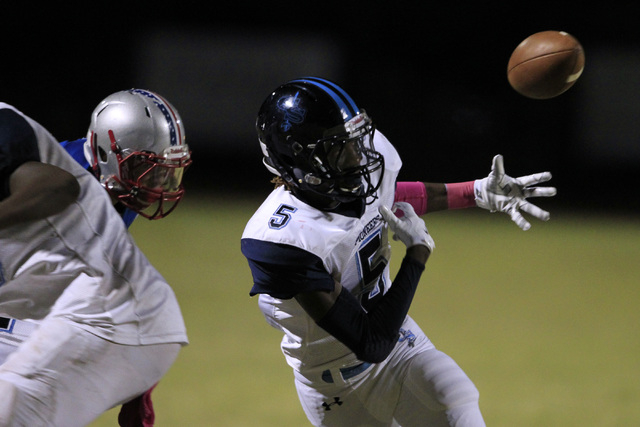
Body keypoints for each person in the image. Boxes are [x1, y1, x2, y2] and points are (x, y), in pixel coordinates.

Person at [241, 77, 556, 426]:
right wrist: (417, 254)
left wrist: (476, 192)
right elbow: (370, 341)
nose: (357, 155)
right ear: (296, 160)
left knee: (455, 396)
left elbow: (385, 200)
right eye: (337, 148)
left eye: (354, 141)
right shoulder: (281, 241)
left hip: (399, 340)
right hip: (339, 380)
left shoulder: (359, 169)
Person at [0, 89, 191, 426]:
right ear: (106, 152)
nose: (157, 182)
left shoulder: (118, 184)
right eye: (145, 167)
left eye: (163, 168)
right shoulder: (68, 181)